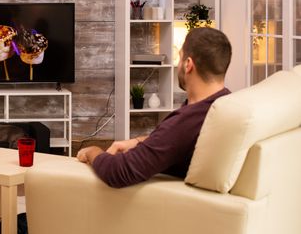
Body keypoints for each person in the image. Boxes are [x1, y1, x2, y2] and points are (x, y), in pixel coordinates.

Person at [77, 27, 232, 188]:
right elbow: (173, 142)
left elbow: (118, 171)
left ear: (188, 65)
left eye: (179, 58)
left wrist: (93, 151)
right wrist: (137, 142)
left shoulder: (187, 121)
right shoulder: (224, 103)